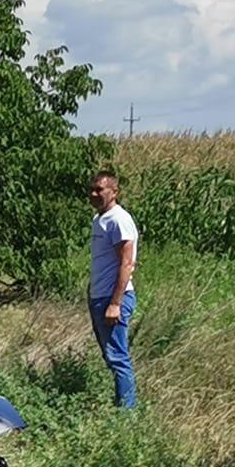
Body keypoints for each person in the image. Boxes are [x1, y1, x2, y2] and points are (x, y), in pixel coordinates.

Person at [87, 170, 140, 409]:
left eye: (99, 189)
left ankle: (126, 415)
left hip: (113, 298)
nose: (94, 194)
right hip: (99, 296)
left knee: (118, 357)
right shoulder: (100, 219)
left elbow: (126, 263)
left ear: (114, 192)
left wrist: (115, 303)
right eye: (92, 189)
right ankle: (121, 403)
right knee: (110, 355)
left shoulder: (118, 220)